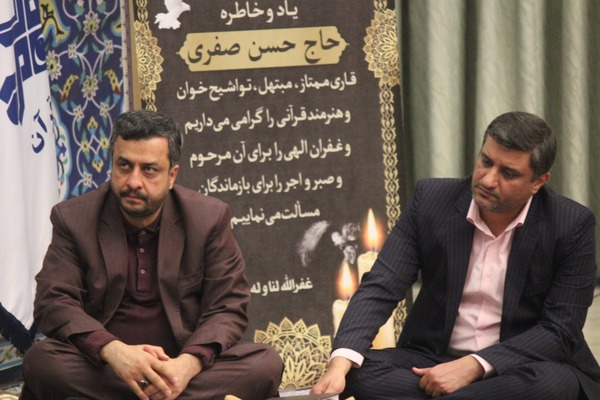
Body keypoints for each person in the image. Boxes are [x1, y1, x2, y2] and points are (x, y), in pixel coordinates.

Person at [311, 111, 600, 399]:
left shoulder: (570, 224)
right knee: (358, 371)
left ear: (538, 181)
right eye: (486, 162)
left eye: (508, 173)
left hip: (517, 365)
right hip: (432, 359)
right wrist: (340, 362)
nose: (488, 180)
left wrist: (473, 366)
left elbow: (559, 330)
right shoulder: (431, 200)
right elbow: (382, 284)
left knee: (553, 384)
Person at [20, 110, 283, 400]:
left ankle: (155, 390)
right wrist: (114, 352)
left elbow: (228, 306)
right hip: (107, 367)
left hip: (180, 364)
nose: (133, 181)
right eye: (124, 166)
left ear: (172, 175)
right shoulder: (74, 219)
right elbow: (54, 302)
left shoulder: (208, 218)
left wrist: (187, 365)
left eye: (149, 170)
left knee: (264, 363)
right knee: (42, 361)